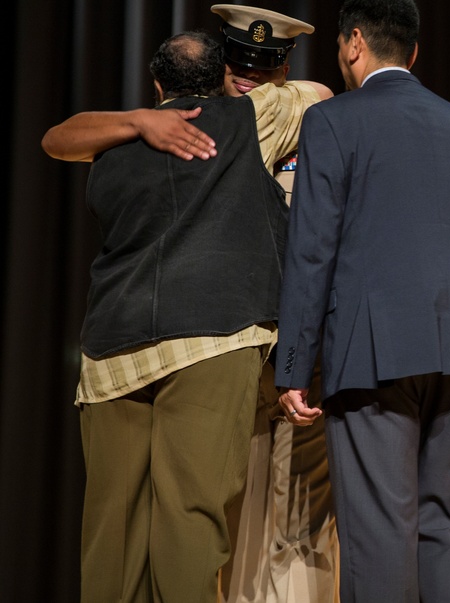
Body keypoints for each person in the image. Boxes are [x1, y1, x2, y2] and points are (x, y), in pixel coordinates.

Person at [41, 31, 329, 603]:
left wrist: (139, 120)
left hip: (111, 352)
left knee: (110, 527)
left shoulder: (110, 143)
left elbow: (54, 138)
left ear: (155, 85)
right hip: (210, 340)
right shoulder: (249, 117)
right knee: (189, 515)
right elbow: (317, 92)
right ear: (224, 74)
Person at [270, 0, 450, 602]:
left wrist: (294, 366)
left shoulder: (331, 120)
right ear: (413, 51)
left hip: (373, 353)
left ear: (354, 43)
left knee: (380, 529)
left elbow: (312, 247)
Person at [209, 3, 340, 603]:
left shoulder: (315, 121)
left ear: (282, 65)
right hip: (219, 339)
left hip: (294, 341)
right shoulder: (199, 124)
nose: (247, 74)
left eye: (262, 65)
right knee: (221, 503)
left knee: (299, 516)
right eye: (238, 61)